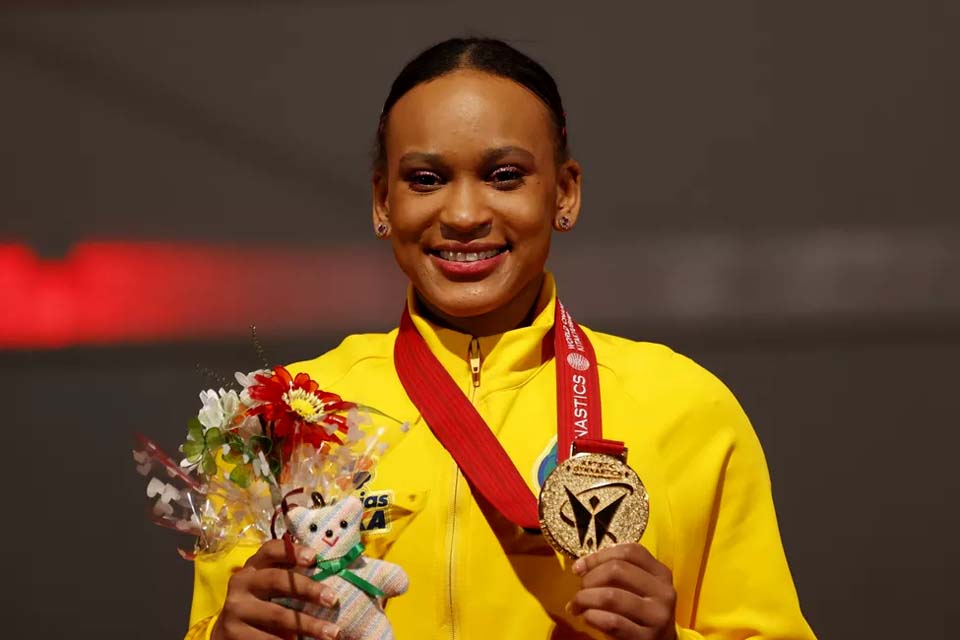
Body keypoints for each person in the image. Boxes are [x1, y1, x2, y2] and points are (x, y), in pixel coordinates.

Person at [186, 38, 816, 640]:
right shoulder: (285, 413)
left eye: (505, 175)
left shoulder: (686, 408)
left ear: (563, 193)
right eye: (426, 179)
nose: (463, 214)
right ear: (382, 201)